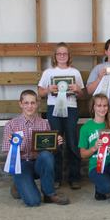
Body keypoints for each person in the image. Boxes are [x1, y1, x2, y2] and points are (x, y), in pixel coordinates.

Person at [2, 90, 69, 206]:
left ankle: (49, 194)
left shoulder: (44, 123)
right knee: (33, 202)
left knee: (46, 156)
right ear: (20, 104)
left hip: (38, 163)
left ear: (37, 104)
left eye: (32, 103)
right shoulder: (11, 125)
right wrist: (19, 144)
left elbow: (49, 150)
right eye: (26, 103)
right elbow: (8, 153)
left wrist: (56, 143)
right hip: (21, 165)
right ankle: (19, 184)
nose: (29, 106)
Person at [38, 42, 84, 190]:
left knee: (72, 142)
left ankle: (74, 177)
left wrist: (77, 89)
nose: (62, 56)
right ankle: (56, 178)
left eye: (65, 53)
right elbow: (40, 93)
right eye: (59, 53)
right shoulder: (48, 72)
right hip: (53, 109)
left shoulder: (75, 72)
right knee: (55, 143)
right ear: (55, 56)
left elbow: (82, 93)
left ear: (69, 56)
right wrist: (48, 89)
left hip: (71, 109)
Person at [78, 94, 110, 204]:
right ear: (93, 107)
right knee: (106, 187)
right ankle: (102, 188)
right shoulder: (86, 128)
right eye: (99, 105)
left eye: (105, 105)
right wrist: (94, 147)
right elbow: (83, 154)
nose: (102, 108)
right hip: (96, 166)